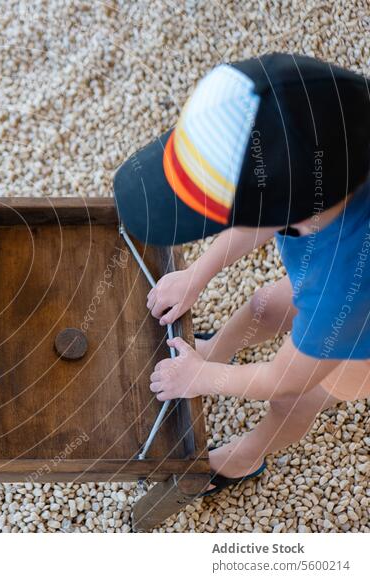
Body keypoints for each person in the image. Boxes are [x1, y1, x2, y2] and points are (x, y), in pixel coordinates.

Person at [114, 53, 370, 495]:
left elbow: (286, 377)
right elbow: (262, 216)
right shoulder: (336, 133)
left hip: (360, 342)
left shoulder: (341, 289)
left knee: (295, 400)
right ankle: (214, 349)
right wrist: (198, 273)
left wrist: (201, 380)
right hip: (337, 280)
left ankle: (246, 456)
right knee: (264, 305)